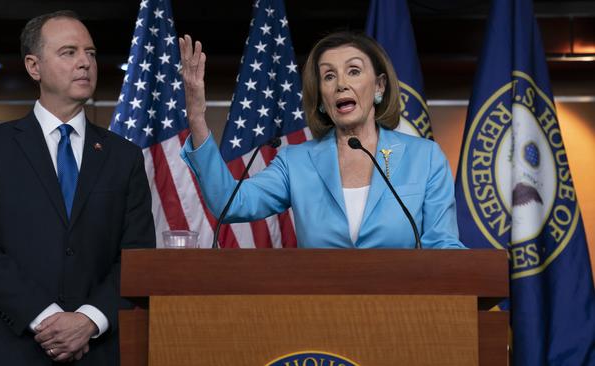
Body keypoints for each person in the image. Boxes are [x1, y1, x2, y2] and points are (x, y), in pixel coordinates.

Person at [0, 10, 155, 365]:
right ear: (34, 67)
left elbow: (137, 254)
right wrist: (46, 318)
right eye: (69, 52)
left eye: (90, 53)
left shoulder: (125, 157)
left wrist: (88, 320)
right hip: (4, 345)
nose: (85, 63)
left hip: (96, 349)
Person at [179, 31, 465, 249]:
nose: (341, 83)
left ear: (379, 86)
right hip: (319, 315)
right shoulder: (296, 162)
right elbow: (229, 203)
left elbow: (444, 246)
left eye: (353, 71)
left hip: (405, 315)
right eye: (329, 76)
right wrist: (197, 119)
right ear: (321, 99)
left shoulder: (425, 158)